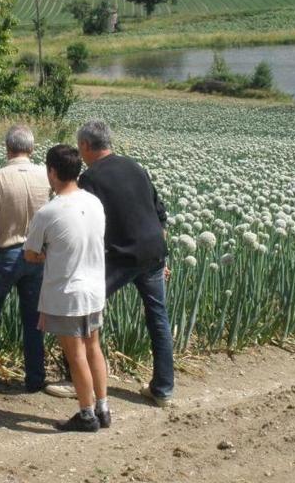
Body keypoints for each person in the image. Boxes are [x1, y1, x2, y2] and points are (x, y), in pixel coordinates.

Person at [76, 120, 175, 407]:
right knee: (158, 318)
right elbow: (160, 214)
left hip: (120, 257)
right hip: (153, 252)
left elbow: (89, 226)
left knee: (84, 311)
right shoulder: (136, 167)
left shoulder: (90, 178)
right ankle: (163, 389)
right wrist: (159, 256)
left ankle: (80, 379)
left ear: (85, 146)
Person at [24, 145, 109, 432]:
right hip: (95, 288)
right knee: (94, 347)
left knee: (76, 355)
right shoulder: (95, 203)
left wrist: (50, 253)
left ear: (52, 172)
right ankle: (103, 407)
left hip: (67, 294)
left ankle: (86, 415)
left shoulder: (48, 212)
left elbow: (30, 254)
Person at [0, 125, 50, 394]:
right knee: (34, 319)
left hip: (4, 255)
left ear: (7, 148)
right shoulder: (46, 175)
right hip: (37, 256)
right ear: (31, 149)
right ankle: (35, 379)